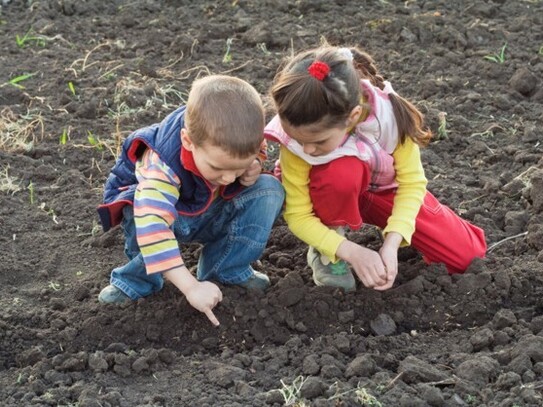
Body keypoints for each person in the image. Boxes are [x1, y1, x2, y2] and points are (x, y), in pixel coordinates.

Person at [265, 45, 487, 292]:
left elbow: (411, 184)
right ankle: (328, 251)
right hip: (331, 194)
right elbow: (298, 215)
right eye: (299, 140)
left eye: (318, 142)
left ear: (353, 116)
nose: (306, 150)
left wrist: (392, 243)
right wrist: (351, 251)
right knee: (341, 173)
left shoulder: (390, 118)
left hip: (384, 191)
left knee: (468, 256)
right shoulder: (300, 130)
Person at [96, 75, 285, 326]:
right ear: (188, 141)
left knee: (269, 189)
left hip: (211, 207)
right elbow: (154, 225)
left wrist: (254, 165)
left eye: (236, 167)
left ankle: (224, 269)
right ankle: (138, 281)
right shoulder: (162, 165)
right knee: (137, 208)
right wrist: (191, 287)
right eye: (218, 167)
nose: (229, 178)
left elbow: (258, 149)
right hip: (165, 217)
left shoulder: (239, 138)